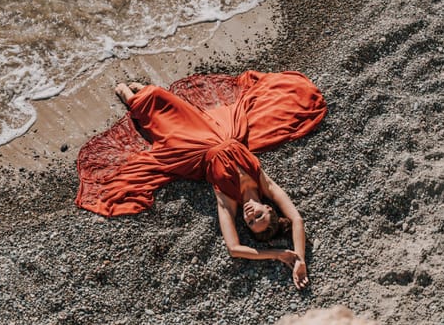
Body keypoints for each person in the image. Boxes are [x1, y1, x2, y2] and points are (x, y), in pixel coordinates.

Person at [76, 71, 327, 291]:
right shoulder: (264, 184)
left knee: (131, 96)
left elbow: (234, 248)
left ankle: (112, 86)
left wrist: (276, 254)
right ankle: (137, 91)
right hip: (215, 131)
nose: (251, 215)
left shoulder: (228, 200)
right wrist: (300, 258)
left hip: (189, 148)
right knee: (155, 94)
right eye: (259, 216)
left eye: (249, 222)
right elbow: (296, 218)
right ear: (269, 208)